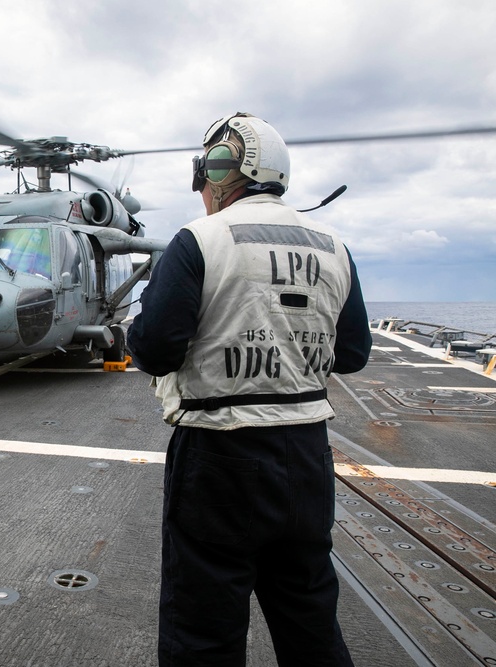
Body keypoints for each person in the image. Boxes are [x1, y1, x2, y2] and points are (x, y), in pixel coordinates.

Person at [127, 113, 372, 666]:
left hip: (219, 455)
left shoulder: (199, 240)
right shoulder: (335, 247)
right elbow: (353, 354)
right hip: (307, 455)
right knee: (310, 619)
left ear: (220, 172)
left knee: (203, 629)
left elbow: (158, 348)